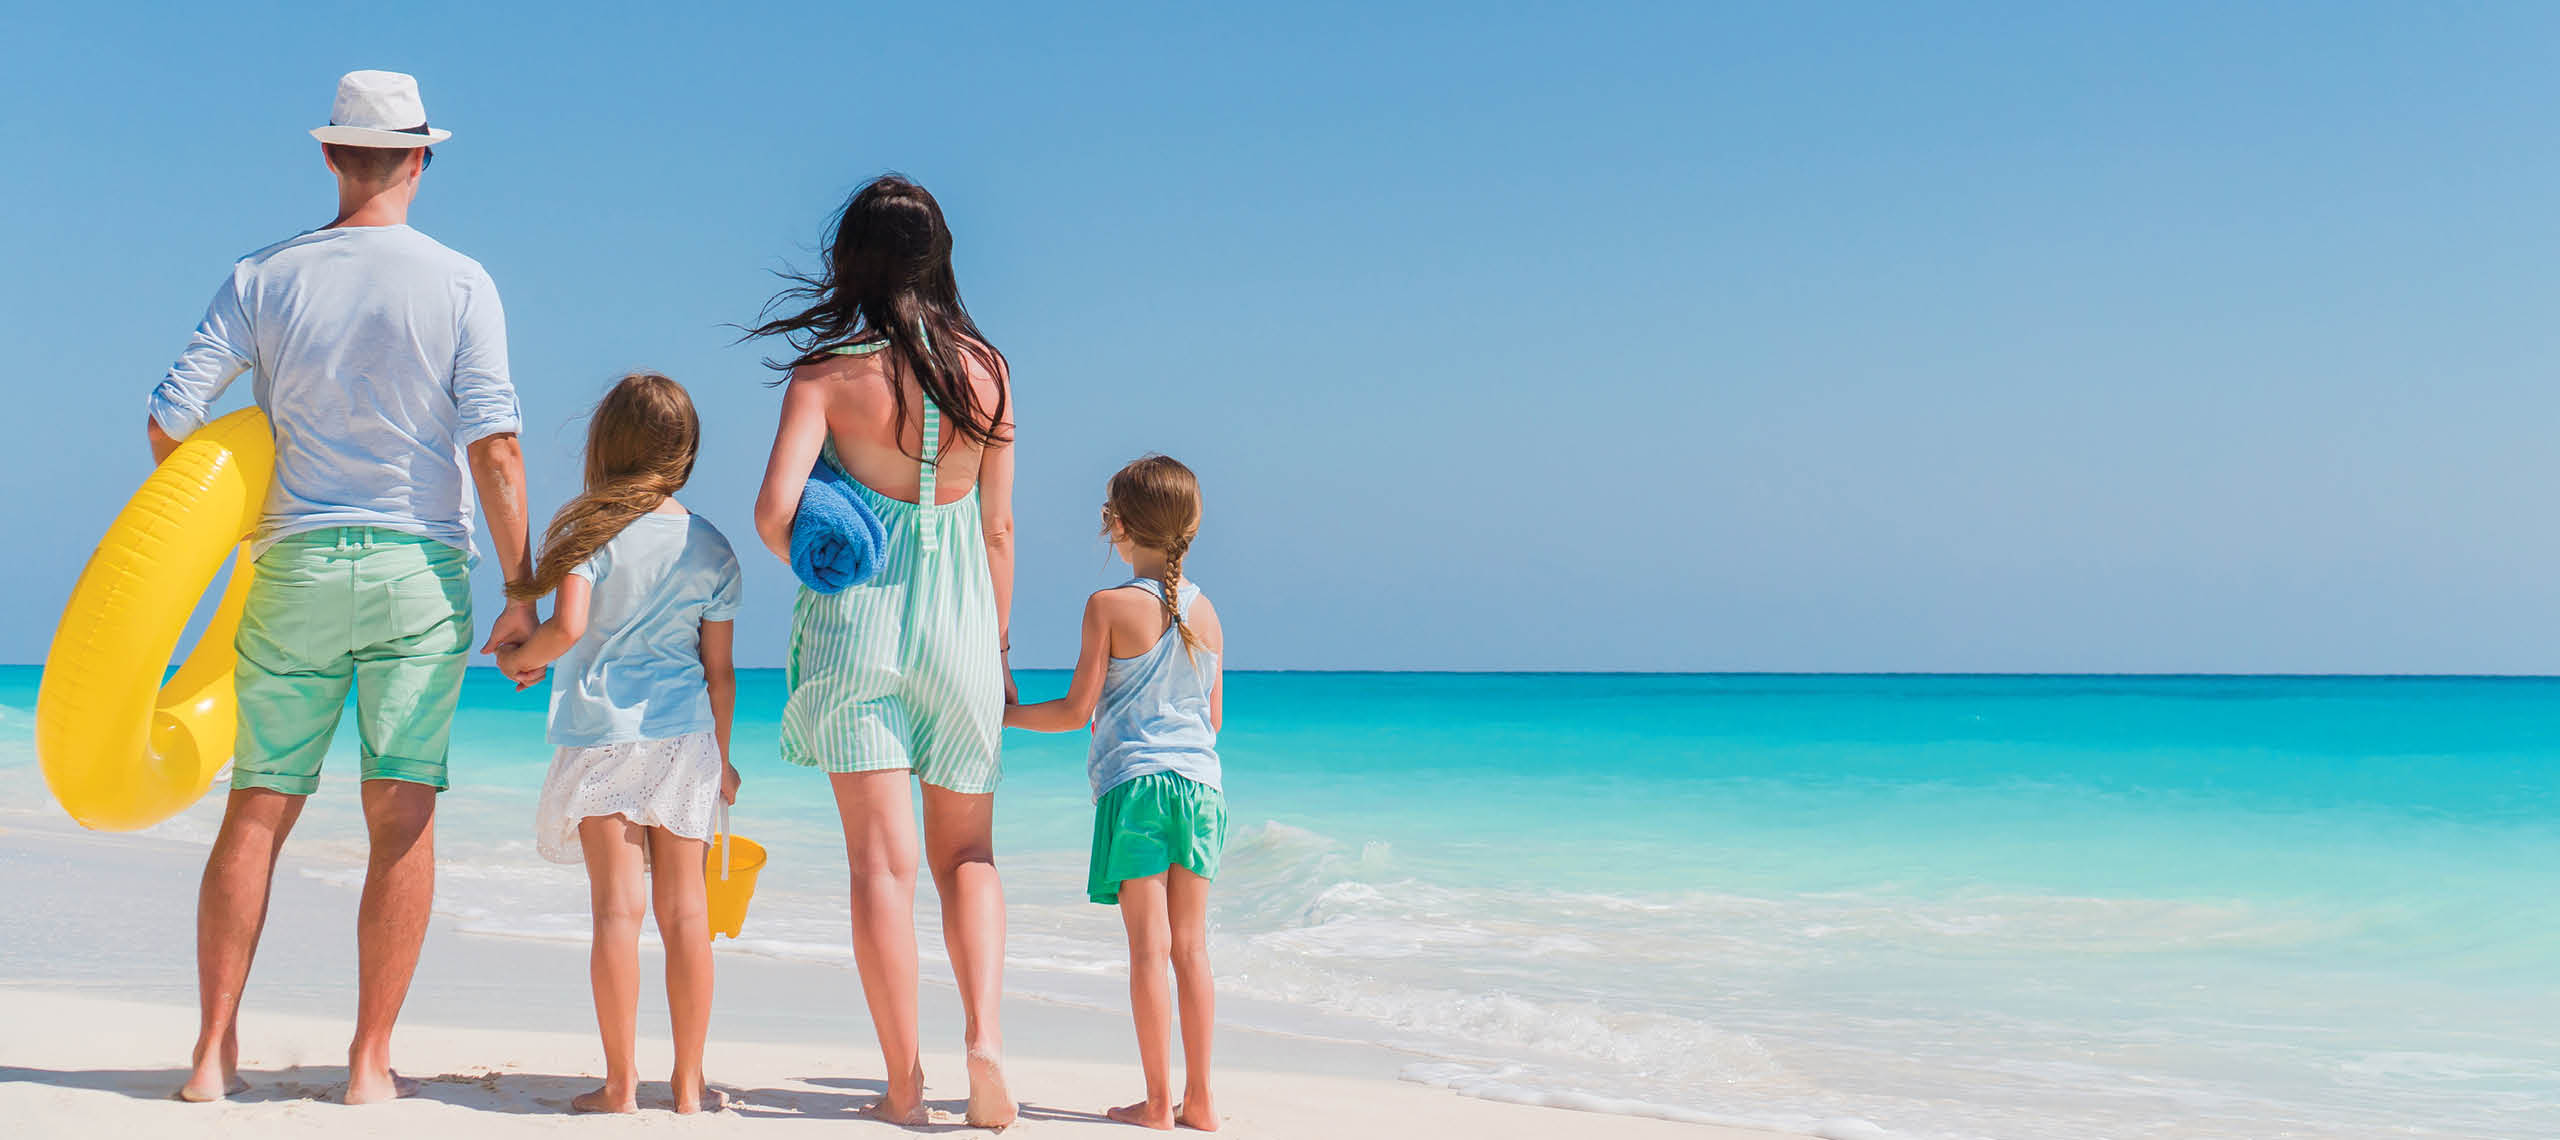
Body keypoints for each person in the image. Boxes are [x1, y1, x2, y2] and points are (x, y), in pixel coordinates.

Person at [144, 70, 536, 1104]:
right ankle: (368, 1063)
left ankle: (211, 1056)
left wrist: (225, 526)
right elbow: (495, 447)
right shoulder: (462, 282)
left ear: (328, 155)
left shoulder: (261, 276)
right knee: (400, 814)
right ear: (420, 160)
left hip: (294, 568)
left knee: (259, 805)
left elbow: (170, 421)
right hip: (419, 571)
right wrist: (522, 591)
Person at [748, 174, 1018, 1127]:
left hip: (858, 623)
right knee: (968, 854)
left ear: (850, 260)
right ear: (939, 257)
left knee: (881, 867)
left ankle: (904, 1087)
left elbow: (773, 515)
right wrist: (995, 650)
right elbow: (998, 530)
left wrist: (833, 541)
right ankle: (984, 1037)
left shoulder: (826, 375)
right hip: (962, 628)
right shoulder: (989, 371)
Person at [493, 373, 743, 1114]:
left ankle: (621, 1084)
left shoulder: (589, 530)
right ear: (686, 449)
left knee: (615, 915)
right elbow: (720, 672)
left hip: (603, 736)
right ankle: (690, 1084)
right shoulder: (711, 545)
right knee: (688, 915)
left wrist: (518, 658)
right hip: (685, 739)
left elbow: (568, 628)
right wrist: (723, 759)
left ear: (606, 443)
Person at [1005, 456, 1227, 1132]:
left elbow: (1076, 712)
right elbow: (1212, 721)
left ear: (1118, 526)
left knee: (1147, 951)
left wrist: (1002, 716)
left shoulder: (1108, 606)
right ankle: (1201, 1100)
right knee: (1191, 949)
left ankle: (1157, 1103)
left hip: (1136, 788)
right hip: (1202, 788)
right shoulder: (1208, 613)